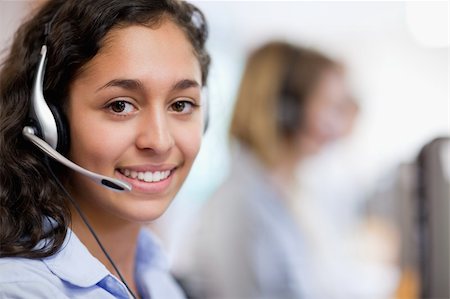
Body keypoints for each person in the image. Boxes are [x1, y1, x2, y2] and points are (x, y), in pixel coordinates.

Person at [0, 0, 210, 298]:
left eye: (181, 104)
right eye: (120, 105)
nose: (160, 141)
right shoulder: (22, 290)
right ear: (50, 121)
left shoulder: (157, 278)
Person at [173, 41, 355, 299]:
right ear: (286, 110)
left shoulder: (282, 195)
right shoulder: (239, 203)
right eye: (329, 106)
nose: (339, 126)